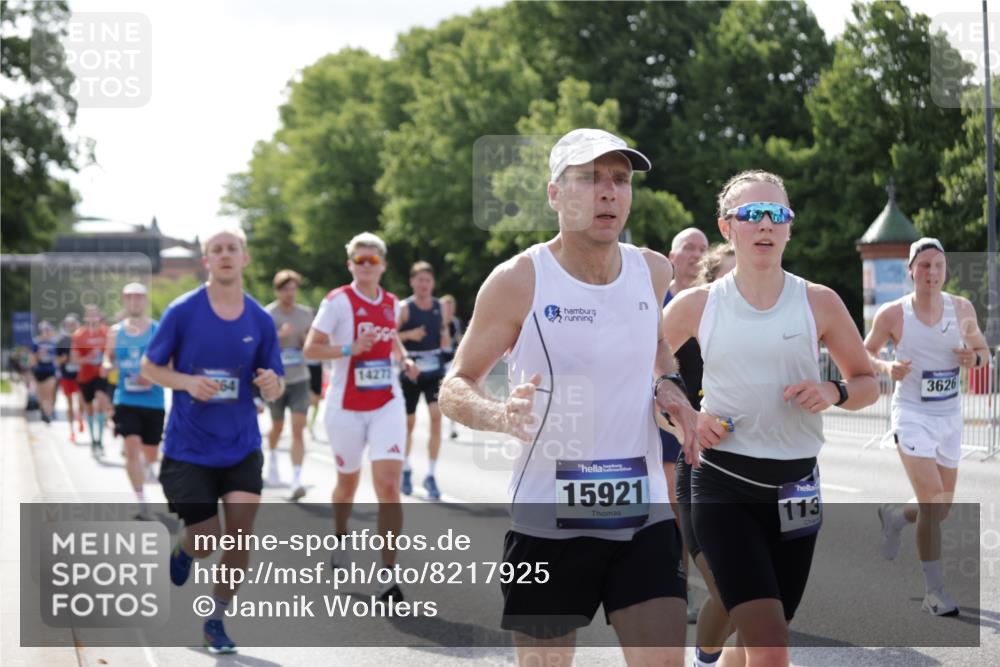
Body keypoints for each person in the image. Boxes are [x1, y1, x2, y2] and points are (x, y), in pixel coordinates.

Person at [439, 128, 698, 667]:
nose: (608, 192)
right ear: (556, 195)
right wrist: (499, 413)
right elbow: (455, 385)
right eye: (588, 179)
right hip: (547, 521)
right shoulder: (519, 280)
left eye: (620, 180)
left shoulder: (653, 271)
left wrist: (669, 383)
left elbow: (655, 345)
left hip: (641, 510)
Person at [662, 170, 878, 667]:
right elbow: (641, 382)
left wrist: (833, 389)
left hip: (797, 487)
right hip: (723, 485)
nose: (765, 224)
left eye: (776, 214)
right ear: (726, 228)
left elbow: (867, 383)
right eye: (751, 214)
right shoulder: (697, 305)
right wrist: (686, 420)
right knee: (771, 645)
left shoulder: (819, 302)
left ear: (789, 227)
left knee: (766, 631)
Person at [141, 228, 284, 654]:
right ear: (207, 260)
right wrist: (186, 381)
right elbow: (150, 368)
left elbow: (271, 383)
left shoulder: (260, 319)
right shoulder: (183, 311)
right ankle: (184, 548)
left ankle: (215, 620)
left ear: (245, 258)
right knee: (205, 539)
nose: (225, 255)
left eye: (232, 248)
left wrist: (272, 383)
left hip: (241, 443)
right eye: (216, 249)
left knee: (240, 536)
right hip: (189, 447)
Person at [865, 237, 988, 617]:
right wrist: (887, 368)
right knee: (933, 500)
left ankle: (895, 516)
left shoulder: (962, 308)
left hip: (950, 417)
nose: (931, 273)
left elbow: (983, 352)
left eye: (938, 265)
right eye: (924, 266)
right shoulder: (893, 314)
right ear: (911, 271)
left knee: (942, 507)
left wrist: (975, 359)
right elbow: (864, 353)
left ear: (945, 269)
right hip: (912, 414)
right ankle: (935, 592)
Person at [304, 232, 419, 603]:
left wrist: (403, 358)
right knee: (348, 485)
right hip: (344, 406)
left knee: (388, 485)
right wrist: (350, 348)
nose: (366, 266)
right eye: (359, 260)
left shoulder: (391, 302)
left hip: (386, 400)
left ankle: (388, 574)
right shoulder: (337, 302)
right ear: (350, 264)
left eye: (373, 260)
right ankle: (340, 536)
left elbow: (391, 337)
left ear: (383, 265)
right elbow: (311, 348)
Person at [669, 243, 741, 665]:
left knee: (760, 604)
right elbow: (648, 383)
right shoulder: (687, 321)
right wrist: (686, 421)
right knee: (733, 595)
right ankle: (703, 661)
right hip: (701, 466)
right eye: (730, 276)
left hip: (761, 472)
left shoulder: (772, 325)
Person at [659, 226, 709, 623]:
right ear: (672, 257)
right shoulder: (656, 300)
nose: (695, 254)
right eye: (687, 248)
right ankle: (683, 589)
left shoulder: (718, 300)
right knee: (679, 509)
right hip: (668, 417)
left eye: (702, 248)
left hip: (714, 419)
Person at [103, 283, 165, 519]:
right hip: (125, 399)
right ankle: (141, 502)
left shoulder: (157, 330)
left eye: (138, 297)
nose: (134, 301)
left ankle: (145, 467)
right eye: (129, 297)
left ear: (145, 300)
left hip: (154, 400)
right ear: (124, 300)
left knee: (151, 454)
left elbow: (167, 361)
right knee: (131, 448)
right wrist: (107, 366)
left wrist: (150, 375)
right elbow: (107, 359)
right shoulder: (115, 332)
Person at [397, 261, 451, 499]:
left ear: (433, 284)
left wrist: (445, 336)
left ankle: (431, 474)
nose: (424, 284)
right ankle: (406, 469)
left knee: (437, 417)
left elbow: (445, 340)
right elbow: (390, 336)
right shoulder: (404, 308)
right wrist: (410, 334)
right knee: (408, 424)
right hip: (410, 371)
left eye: (428, 280)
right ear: (412, 282)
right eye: (419, 280)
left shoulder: (440, 307)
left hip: (434, 371)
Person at [264, 269, 315, 500]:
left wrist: (306, 341)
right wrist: (279, 336)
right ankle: (272, 454)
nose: (290, 293)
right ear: (278, 291)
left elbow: (315, 344)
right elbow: (260, 346)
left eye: (293, 288)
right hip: (276, 380)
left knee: (297, 428)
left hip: (300, 377)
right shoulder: (268, 314)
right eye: (286, 289)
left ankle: (296, 479)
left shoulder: (305, 314)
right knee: (277, 427)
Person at [72, 304, 111, 454]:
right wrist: (88, 358)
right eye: (90, 315)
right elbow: (74, 359)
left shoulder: (107, 333)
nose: (93, 317)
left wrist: (109, 362)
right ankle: (92, 439)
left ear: (99, 317)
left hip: (101, 375)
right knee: (88, 408)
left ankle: (100, 440)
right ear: (86, 318)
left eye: (95, 314)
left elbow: (112, 353)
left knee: (101, 402)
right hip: (85, 376)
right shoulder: (79, 335)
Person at [56, 314, 85, 442]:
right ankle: (71, 431)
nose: (71, 327)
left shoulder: (82, 338)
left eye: (73, 324)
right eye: (69, 325)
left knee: (81, 401)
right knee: (69, 404)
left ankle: (80, 417)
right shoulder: (62, 341)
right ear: (66, 326)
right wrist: (67, 358)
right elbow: (57, 360)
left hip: (80, 375)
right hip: (67, 375)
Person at [440, 294, 463, 440]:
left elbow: (456, 342)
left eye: (451, 307)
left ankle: (451, 428)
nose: (449, 311)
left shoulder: (455, 322)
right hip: (435, 363)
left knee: (452, 394)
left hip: (450, 362)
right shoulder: (434, 321)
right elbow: (444, 343)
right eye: (446, 307)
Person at [29, 320, 59, 423]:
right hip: (39, 371)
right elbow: (32, 358)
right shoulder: (36, 342)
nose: (46, 332)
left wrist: (57, 369)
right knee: (41, 395)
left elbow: (56, 357)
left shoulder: (53, 342)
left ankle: (48, 414)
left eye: (48, 330)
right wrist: (34, 370)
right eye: (44, 330)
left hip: (50, 370)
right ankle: (43, 411)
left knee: (50, 393)